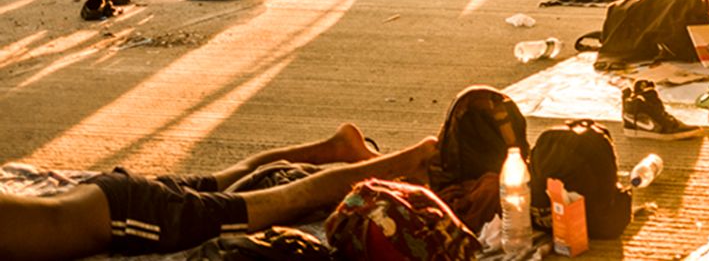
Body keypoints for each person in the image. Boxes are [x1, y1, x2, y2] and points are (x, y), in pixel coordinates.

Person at [0, 124, 437, 261]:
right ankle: (337, 148)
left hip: (127, 216)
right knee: (227, 180)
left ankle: (410, 159)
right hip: (116, 201)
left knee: (283, 201)